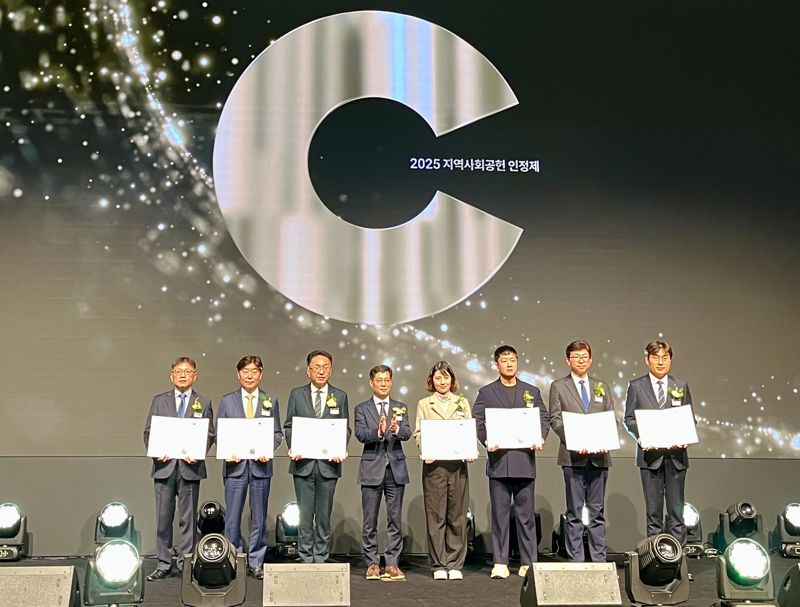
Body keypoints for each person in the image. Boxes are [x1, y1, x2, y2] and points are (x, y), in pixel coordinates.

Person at [473, 345, 549, 579]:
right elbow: (477, 420)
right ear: (496, 364)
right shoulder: (486, 392)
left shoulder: (531, 390)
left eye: (513, 360)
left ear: (517, 362)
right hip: (499, 463)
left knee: (526, 517)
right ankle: (500, 562)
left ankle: (528, 562)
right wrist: (487, 441)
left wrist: (540, 437)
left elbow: (543, 418)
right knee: (500, 516)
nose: (509, 364)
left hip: (524, 461)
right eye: (504, 360)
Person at [143, 357, 215, 580]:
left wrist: (198, 452)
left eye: (187, 371)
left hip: (190, 468)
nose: (183, 375)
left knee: (188, 520)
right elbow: (149, 432)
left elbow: (209, 434)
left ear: (195, 376)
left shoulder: (204, 402)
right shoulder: (159, 400)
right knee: (163, 519)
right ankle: (163, 563)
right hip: (164, 467)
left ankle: (186, 563)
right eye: (178, 371)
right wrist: (157, 451)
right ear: (171, 376)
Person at [548, 340, 616, 562]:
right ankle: (576, 560)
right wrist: (575, 440)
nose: (581, 361)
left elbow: (610, 418)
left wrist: (606, 439)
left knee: (597, 511)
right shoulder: (559, 386)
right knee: (575, 511)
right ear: (568, 360)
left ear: (591, 359)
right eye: (576, 357)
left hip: (599, 458)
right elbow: (555, 420)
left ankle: (599, 559)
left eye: (584, 356)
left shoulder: (601, 386)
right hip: (572, 457)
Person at [217, 355, 283, 580]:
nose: (249, 376)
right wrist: (227, 451)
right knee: (232, 518)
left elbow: (277, 433)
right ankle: (233, 560)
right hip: (234, 467)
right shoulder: (227, 401)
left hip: (261, 468)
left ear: (261, 374)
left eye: (254, 371)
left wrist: (269, 449)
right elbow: (220, 433)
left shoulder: (270, 399)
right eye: (245, 372)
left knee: (259, 518)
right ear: (238, 375)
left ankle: (256, 562)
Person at [623, 340, 694, 546]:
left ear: (670, 360)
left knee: (677, 513)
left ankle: (678, 559)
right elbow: (629, 419)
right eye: (656, 357)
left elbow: (690, 418)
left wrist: (686, 436)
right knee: (653, 513)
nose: (660, 362)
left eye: (665, 357)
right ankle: (656, 558)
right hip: (650, 458)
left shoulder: (680, 385)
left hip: (676, 458)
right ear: (647, 360)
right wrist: (643, 437)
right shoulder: (636, 386)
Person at [284, 350, 350, 563]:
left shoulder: (340, 396)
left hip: (328, 466)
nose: (321, 371)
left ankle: (321, 557)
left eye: (325, 367)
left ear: (331, 370)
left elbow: (345, 429)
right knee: (304, 516)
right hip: (303, 465)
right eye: (317, 367)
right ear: (308, 371)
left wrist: (340, 448)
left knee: (323, 515)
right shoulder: (297, 394)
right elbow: (289, 426)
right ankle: (305, 556)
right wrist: (293, 446)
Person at [413, 361, 473, 580]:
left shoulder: (462, 402)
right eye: (438, 378)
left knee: (457, 515)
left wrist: (469, 450)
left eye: (446, 377)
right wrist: (425, 448)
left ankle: (455, 563)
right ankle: (439, 564)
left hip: (458, 466)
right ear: (432, 380)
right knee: (436, 516)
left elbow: (468, 429)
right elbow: (418, 433)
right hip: (434, 467)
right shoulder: (424, 404)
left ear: (452, 379)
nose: (442, 382)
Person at [355, 365, 411, 582]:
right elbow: (360, 434)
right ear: (371, 383)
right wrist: (378, 431)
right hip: (372, 468)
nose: (383, 384)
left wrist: (396, 430)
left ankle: (392, 563)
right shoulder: (362, 408)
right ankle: (372, 563)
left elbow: (407, 432)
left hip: (395, 469)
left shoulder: (400, 407)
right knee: (370, 520)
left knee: (394, 519)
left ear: (391, 382)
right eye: (379, 380)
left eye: (387, 380)